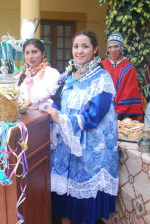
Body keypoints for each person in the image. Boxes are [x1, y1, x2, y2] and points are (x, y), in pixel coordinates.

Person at [46, 30, 119, 224]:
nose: (79, 51)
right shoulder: (67, 75)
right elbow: (56, 100)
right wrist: (50, 110)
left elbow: (93, 116)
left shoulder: (101, 78)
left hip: (91, 151)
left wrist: (60, 118)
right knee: (66, 201)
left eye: (85, 46)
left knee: (86, 207)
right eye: (76, 46)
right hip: (68, 148)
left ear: (95, 49)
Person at [102, 31, 142, 120]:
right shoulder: (102, 66)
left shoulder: (129, 68)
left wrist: (117, 112)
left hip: (123, 114)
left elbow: (129, 93)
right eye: (110, 47)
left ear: (121, 47)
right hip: (102, 112)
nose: (113, 50)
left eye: (116, 46)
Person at [16, 38, 60, 109]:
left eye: (34, 52)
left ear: (43, 54)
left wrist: (36, 107)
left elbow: (56, 102)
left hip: (44, 118)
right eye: (27, 53)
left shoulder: (52, 74)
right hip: (22, 118)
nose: (30, 57)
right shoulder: (20, 75)